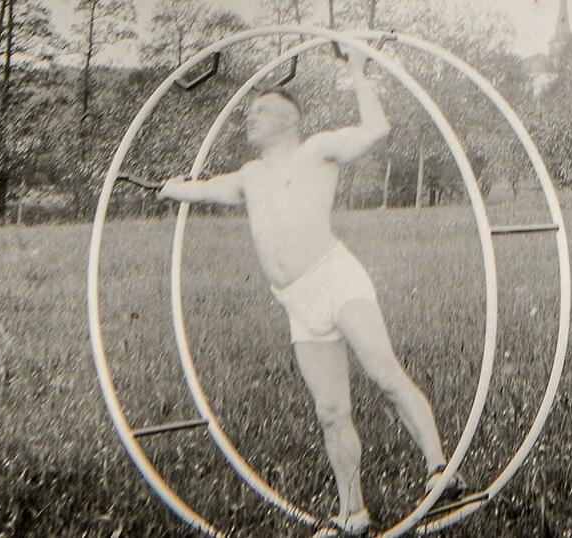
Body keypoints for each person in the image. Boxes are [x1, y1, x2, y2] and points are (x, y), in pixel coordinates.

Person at [157, 48, 464, 536]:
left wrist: (359, 74)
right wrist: (174, 188)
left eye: (258, 112)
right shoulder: (250, 176)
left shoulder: (317, 150)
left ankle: (440, 472)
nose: (248, 120)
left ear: (286, 119)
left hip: (335, 278)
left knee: (384, 373)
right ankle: (354, 513)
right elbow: (206, 188)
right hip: (297, 302)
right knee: (330, 411)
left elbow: (375, 130)